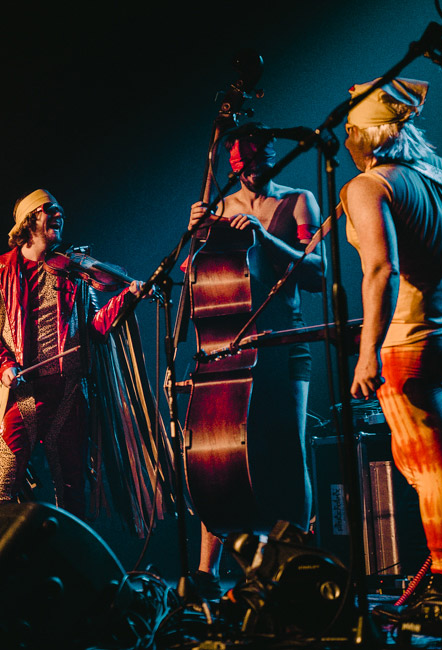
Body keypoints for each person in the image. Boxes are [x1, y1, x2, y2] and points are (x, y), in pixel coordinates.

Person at [187, 123, 324, 600]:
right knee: (219, 453)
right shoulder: (220, 208)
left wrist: (265, 237)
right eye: (240, 168)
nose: (249, 175)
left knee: (289, 448)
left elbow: (316, 272)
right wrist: (195, 237)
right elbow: (195, 280)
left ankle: (300, 558)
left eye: (257, 165)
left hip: (284, 344)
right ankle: (208, 570)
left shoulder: (299, 200)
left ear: (272, 158)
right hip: (227, 349)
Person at [340, 77, 442, 629]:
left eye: (347, 131)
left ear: (363, 135)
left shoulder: (368, 187)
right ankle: (438, 568)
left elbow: (379, 269)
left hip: (408, 344)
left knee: (427, 470)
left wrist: (366, 354)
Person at [0, 189, 145, 518]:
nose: (59, 214)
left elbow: (92, 331)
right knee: (4, 484)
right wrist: (3, 364)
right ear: (28, 220)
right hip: (23, 393)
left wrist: (125, 298)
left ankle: (71, 559)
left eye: (60, 209)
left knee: (73, 489)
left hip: (68, 391)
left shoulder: (74, 272)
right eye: (49, 209)